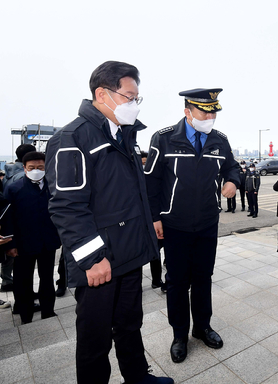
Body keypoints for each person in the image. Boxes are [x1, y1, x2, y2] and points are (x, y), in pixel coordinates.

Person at [45, 61, 173, 384]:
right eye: (129, 97)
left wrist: (149, 231)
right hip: (99, 265)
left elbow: (132, 196)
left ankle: (137, 376)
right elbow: (66, 206)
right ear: (102, 94)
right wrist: (91, 259)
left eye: (137, 99)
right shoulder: (73, 138)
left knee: (130, 323)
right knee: (95, 339)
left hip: (128, 255)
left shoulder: (124, 136)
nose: (134, 104)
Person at [144, 88, 239, 363]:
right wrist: (154, 217)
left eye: (214, 112)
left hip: (208, 222)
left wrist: (232, 181)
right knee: (175, 282)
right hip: (174, 224)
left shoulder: (220, 141)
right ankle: (179, 335)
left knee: (203, 278)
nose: (210, 117)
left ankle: (202, 327)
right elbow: (151, 182)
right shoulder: (163, 139)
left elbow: (232, 168)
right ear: (187, 112)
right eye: (205, 111)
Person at [2, 152, 61, 324]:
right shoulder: (14, 188)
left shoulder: (53, 187)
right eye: (32, 168)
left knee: (47, 278)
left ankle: (48, 311)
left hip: (48, 242)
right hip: (22, 244)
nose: (36, 170)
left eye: (40, 168)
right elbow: (8, 219)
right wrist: (10, 244)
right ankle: (26, 316)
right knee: (23, 281)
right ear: (24, 168)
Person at [1, 144, 36, 294]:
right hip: (23, 226)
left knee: (10, 258)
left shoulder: (7, 174)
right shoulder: (23, 177)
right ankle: (24, 298)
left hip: (8, 224)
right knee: (23, 267)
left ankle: (7, 281)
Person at [141, 152, 166, 291]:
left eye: (146, 163)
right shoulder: (134, 178)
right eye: (142, 163)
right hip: (141, 222)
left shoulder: (156, 178)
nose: (144, 166)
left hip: (156, 220)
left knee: (157, 251)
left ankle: (157, 280)